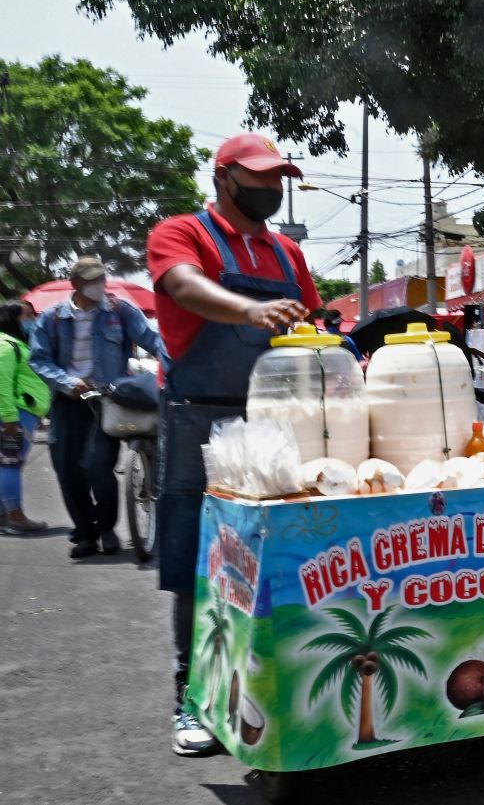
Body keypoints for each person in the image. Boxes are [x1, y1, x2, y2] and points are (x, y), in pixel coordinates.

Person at [147, 132, 320, 756]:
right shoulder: (181, 233)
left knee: (285, 551)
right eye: (260, 178)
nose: (272, 190)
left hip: (279, 421)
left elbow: (312, 323)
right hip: (201, 418)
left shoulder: (285, 252)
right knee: (201, 559)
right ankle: (190, 696)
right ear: (225, 178)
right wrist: (248, 311)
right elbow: (186, 287)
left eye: (279, 179)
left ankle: (277, 681)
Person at [30, 256, 164, 559]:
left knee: (97, 464)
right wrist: (67, 382)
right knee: (67, 468)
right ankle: (85, 533)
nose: (98, 286)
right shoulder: (52, 318)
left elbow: (152, 339)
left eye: (101, 279)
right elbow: (39, 360)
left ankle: (106, 528)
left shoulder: (120, 311)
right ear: (75, 284)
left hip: (107, 399)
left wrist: (172, 360)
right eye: (91, 281)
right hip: (67, 402)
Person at [0, 300, 52, 534]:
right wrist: (10, 418)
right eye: (28, 316)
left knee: (8, 463)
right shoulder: (6, 345)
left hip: (21, 413)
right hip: (13, 416)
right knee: (10, 464)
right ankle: (15, 517)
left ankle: (4, 516)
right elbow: (1, 384)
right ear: (13, 318)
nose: (33, 321)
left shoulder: (15, 343)